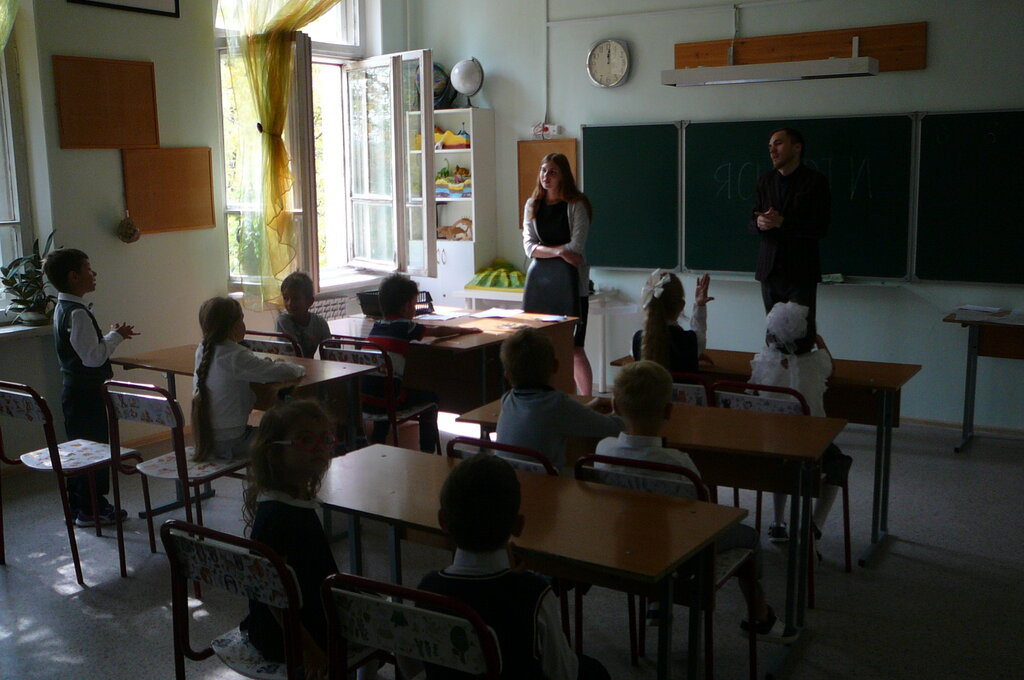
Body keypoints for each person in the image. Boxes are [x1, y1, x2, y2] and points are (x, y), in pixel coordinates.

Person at [595, 360, 796, 642]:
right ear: (669, 410)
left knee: (647, 522)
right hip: (680, 553)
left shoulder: (602, 451)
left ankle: (657, 597)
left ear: (615, 407)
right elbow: (703, 517)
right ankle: (760, 616)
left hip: (625, 545)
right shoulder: (679, 464)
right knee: (750, 537)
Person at [417, 453, 611, 680]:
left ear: (442, 521)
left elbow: (412, 664)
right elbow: (563, 672)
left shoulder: (427, 590)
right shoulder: (533, 593)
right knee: (596, 671)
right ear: (518, 526)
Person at [240, 400, 344, 680]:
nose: (320, 447)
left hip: (301, 618)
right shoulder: (277, 516)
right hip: (288, 637)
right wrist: (310, 651)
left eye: (325, 439)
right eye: (306, 440)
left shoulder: (293, 499)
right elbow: (274, 598)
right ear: (274, 453)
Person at [43, 248, 139, 527]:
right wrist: (115, 337)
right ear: (74, 276)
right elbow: (93, 357)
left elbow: (85, 349)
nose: (93, 273)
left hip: (74, 392)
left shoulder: (63, 308)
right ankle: (92, 508)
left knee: (79, 449)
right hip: (87, 395)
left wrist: (109, 335)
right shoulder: (78, 314)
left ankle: (80, 505)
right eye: (88, 268)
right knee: (94, 450)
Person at [750, 301, 853, 543]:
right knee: (838, 463)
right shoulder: (817, 362)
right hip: (809, 448)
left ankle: (777, 522)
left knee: (782, 461)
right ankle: (813, 526)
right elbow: (832, 366)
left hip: (769, 446)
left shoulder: (762, 362)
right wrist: (820, 341)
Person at [366, 273, 480, 452]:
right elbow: (438, 331)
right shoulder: (405, 326)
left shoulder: (377, 326)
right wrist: (463, 330)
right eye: (414, 305)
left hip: (367, 400)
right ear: (406, 307)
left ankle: (377, 440)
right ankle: (428, 450)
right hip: (391, 401)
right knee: (431, 398)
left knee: (384, 387)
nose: (414, 309)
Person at [192, 296, 306, 462]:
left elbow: (250, 369)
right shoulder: (235, 355)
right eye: (242, 319)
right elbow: (281, 372)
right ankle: (272, 478)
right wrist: (299, 368)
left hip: (206, 441)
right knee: (291, 438)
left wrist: (260, 365)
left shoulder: (202, 350)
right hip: (233, 443)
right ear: (232, 325)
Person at [748, 128, 830, 355]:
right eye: (770, 146)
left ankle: (800, 376)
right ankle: (776, 375)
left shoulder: (815, 182)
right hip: (769, 271)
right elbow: (752, 220)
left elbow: (820, 227)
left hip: (800, 272)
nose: (772, 150)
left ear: (797, 147)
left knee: (800, 339)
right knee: (774, 339)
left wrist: (783, 223)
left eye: (778, 144)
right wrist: (760, 223)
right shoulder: (765, 180)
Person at [496, 328, 622, 470]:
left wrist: (588, 408)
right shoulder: (557, 404)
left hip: (506, 477)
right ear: (555, 366)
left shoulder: (507, 400)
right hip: (544, 482)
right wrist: (619, 407)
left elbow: (555, 418)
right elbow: (614, 428)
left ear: (507, 376)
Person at [522, 152, 595, 396]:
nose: (546, 176)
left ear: (563, 176)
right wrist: (560, 252)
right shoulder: (532, 205)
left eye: (552, 172)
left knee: (575, 348)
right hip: (540, 285)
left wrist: (557, 252)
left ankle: (586, 399)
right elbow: (529, 247)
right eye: (543, 171)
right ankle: (550, 395)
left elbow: (577, 247)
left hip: (572, 286)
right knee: (540, 347)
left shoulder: (577, 205)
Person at [631, 270, 713, 374]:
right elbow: (699, 331)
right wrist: (699, 305)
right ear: (681, 305)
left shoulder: (637, 339)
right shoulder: (692, 342)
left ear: (648, 305)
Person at [275, 271, 331, 358]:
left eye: (295, 298)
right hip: (289, 365)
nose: (289, 303)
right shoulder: (283, 321)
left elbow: (330, 351)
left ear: (310, 302)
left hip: (309, 365)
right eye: (286, 298)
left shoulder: (319, 322)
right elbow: (294, 354)